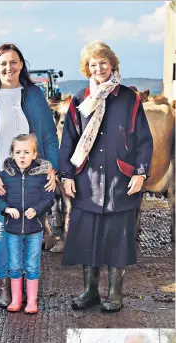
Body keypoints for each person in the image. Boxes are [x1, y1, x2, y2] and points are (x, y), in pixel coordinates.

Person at [59, 41, 153, 313]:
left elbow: (143, 139)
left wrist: (141, 171)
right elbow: (69, 140)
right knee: (89, 237)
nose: (98, 68)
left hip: (119, 180)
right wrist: (67, 175)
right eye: (92, 64)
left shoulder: (128, 98)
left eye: (103, 62)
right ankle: (89, 292)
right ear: (86, 68)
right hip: (87, 180)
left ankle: (115, 293)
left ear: (112, 64)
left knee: (116, 238)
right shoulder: (80, 98)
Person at [0, 43, 59, 309]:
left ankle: (27, 286)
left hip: (33, 174)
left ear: (22, 64)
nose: (9, 67)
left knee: (32, 229)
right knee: (1, 228)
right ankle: (5, 285)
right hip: (1, 174)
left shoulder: (34, 95)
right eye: (2, 63)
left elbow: (49, 136)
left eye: (13, 62)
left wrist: (50, 167)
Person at [0, 134, 55, 314]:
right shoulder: (5, 175)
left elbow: (49, 198)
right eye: (18, 152)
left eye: (26, 152)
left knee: (32, 264)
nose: (22, 156)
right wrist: (5, 209)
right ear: (12, 154)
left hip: (34, 228)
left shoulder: (42, 177)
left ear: (35, 155)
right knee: (14, 265)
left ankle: (32, 301)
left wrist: (37, 209)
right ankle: (16, 299)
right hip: (12, 228)